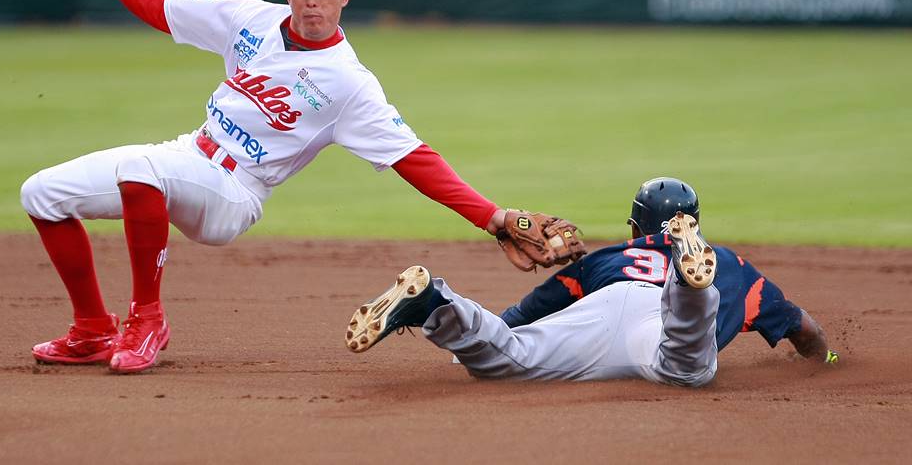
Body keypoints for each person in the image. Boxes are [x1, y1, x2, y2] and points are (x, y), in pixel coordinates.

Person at [24, 0, 523, 374]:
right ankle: (91, 328)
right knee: (41, 194)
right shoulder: (251, 20)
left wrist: (493, 217)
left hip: (235, 193)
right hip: (189, 153)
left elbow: (415, 159)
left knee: (140, 169)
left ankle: (147, 320)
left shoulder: (350, 84)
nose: (312, 0)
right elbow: (162, 5)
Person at [346, 177, 838, 386]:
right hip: (659, 323)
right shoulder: (735, 266)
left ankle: (437, 304)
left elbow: (517, 319)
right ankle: (689, 290)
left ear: (634, 228)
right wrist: (826, 360)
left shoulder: (607, 256)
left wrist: (463, 353)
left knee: (510, 357)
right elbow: (804, 329)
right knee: (686, 367)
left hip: (602, 307)